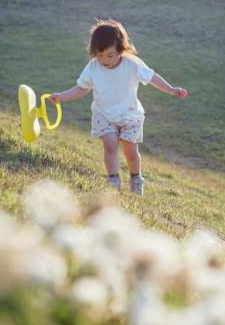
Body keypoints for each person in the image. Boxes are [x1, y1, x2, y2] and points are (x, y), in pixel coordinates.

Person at [49, 19, 188, 195]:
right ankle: (113, 180)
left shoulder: (132, 64)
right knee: (110, 144)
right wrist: (62, 97)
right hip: (104, 115)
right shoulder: (93, 67)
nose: (104, 60)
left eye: (110, 55)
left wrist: (171, 89)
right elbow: (82, 88)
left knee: (130, 149)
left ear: (121, 50)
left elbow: (152, 77)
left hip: (130, 115)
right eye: (99, 55)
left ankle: (136, 178)